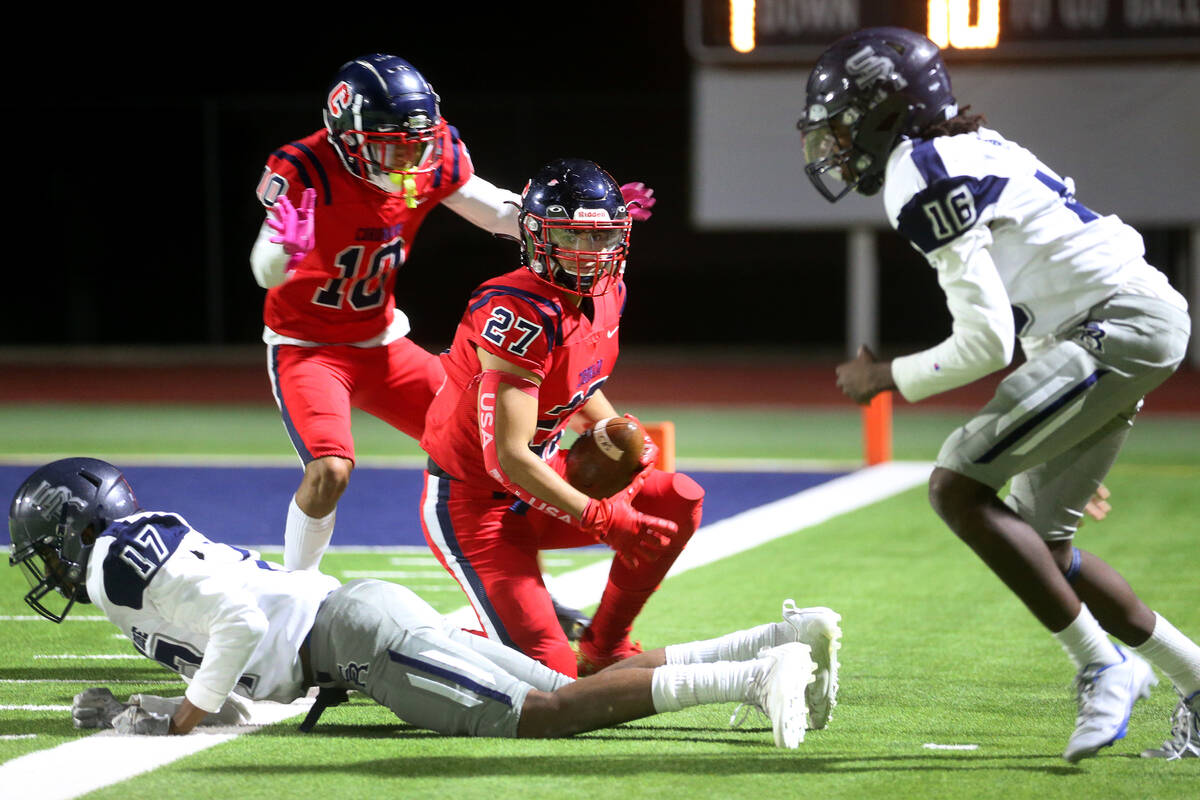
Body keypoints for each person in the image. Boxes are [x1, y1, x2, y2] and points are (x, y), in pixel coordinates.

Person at [798, 27, 1199, 762]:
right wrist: (1067, 425)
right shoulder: (971, 147)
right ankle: (1198, 681)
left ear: (884, 112)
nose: (833, 143)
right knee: (1044, 544)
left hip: (1115, 323)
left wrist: (882, 378)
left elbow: (986, 344)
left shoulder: (918, 173)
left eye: (844, 122)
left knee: (956, 486)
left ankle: (1104, 666)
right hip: (1117, 318)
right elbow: (1043, 286)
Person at [7, 457, 838, 749]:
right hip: (355, 622)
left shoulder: (117, 562)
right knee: (563, 685)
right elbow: (245, 658)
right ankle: (779, 638)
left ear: (73, 531)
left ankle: (760, 676)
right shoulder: (139, 544)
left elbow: (241, 624)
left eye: (44, 547)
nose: (44, 565)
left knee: (546, 714)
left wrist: (185, 714)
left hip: (355, 640)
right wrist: (154, 703)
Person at [418, 157, 844, 711]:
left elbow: (574, 382)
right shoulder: (515, 310)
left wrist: (609, 425)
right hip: (477, 507)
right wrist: (599, 516)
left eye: (601, 236)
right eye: (571, 233)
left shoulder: (608, 291)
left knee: (676, 500)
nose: (587, 251)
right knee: (553, 684)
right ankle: (408, 646)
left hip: (540, 486)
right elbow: (508, 459)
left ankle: (606, 644)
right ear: (534, 233)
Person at [249, 53, 656, 577]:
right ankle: (293, 593)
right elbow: (265, 272)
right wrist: (286, 247)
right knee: (329, 470)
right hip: (308, 349)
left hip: (383, 342)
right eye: (392, 145)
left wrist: (583, 226)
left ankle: (514, 583)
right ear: (346, 138)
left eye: (417, 142)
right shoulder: (305, 171)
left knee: (492, 452)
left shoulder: (431, 153)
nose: (410, 156)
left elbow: (496, 212)